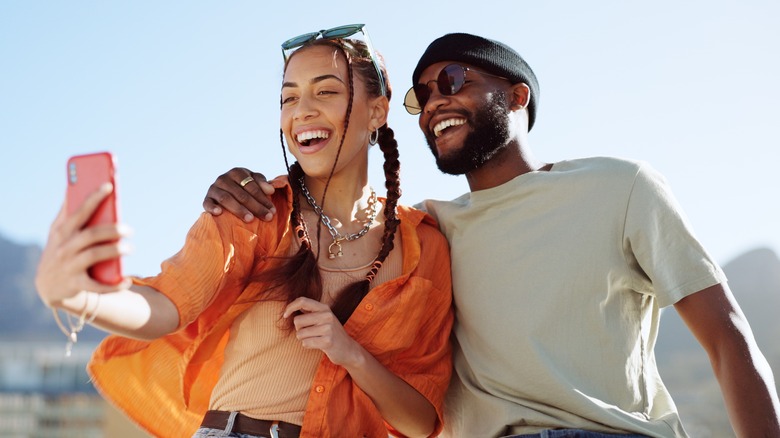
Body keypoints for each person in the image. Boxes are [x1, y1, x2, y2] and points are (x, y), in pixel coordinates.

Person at [203, 32, 780, 438]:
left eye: (453, 80)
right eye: (421, 96)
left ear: (518, 95)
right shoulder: (427, 231)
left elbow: (727, 336)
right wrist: (240, 185)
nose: (434, 103)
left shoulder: (620, 185)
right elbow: (334, 211)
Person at [35, 24, 453, 438]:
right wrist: (80, 293)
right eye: (289, 97)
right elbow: (164, 306)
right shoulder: (251, 212)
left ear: (377, 110)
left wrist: (350, 354)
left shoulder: (425, 246)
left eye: (325, 91)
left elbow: (419, 422)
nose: (301, 110)